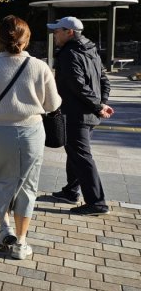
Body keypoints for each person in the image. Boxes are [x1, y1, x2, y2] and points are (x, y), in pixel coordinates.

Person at [0, 16, 61, 260]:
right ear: (26, 40)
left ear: (0, 40)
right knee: (28, 186)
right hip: (32, 132)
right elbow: (53, 104)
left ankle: (4, 226)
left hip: (0, 133)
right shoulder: (40, 67)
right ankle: (21, 242)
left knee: (0, 180)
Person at [47, 16, 113, 216]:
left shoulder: (68, 53)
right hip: (87, 114)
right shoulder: (91, 49)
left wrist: (98, 107)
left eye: (57, 31)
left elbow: (77, 85)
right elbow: (104, 79)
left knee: (82, 157)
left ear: (69, 32)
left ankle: (97, 202)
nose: (54, 34)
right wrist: (101, 103)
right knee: (75, 152)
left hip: (76, 114)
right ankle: (70, 191)